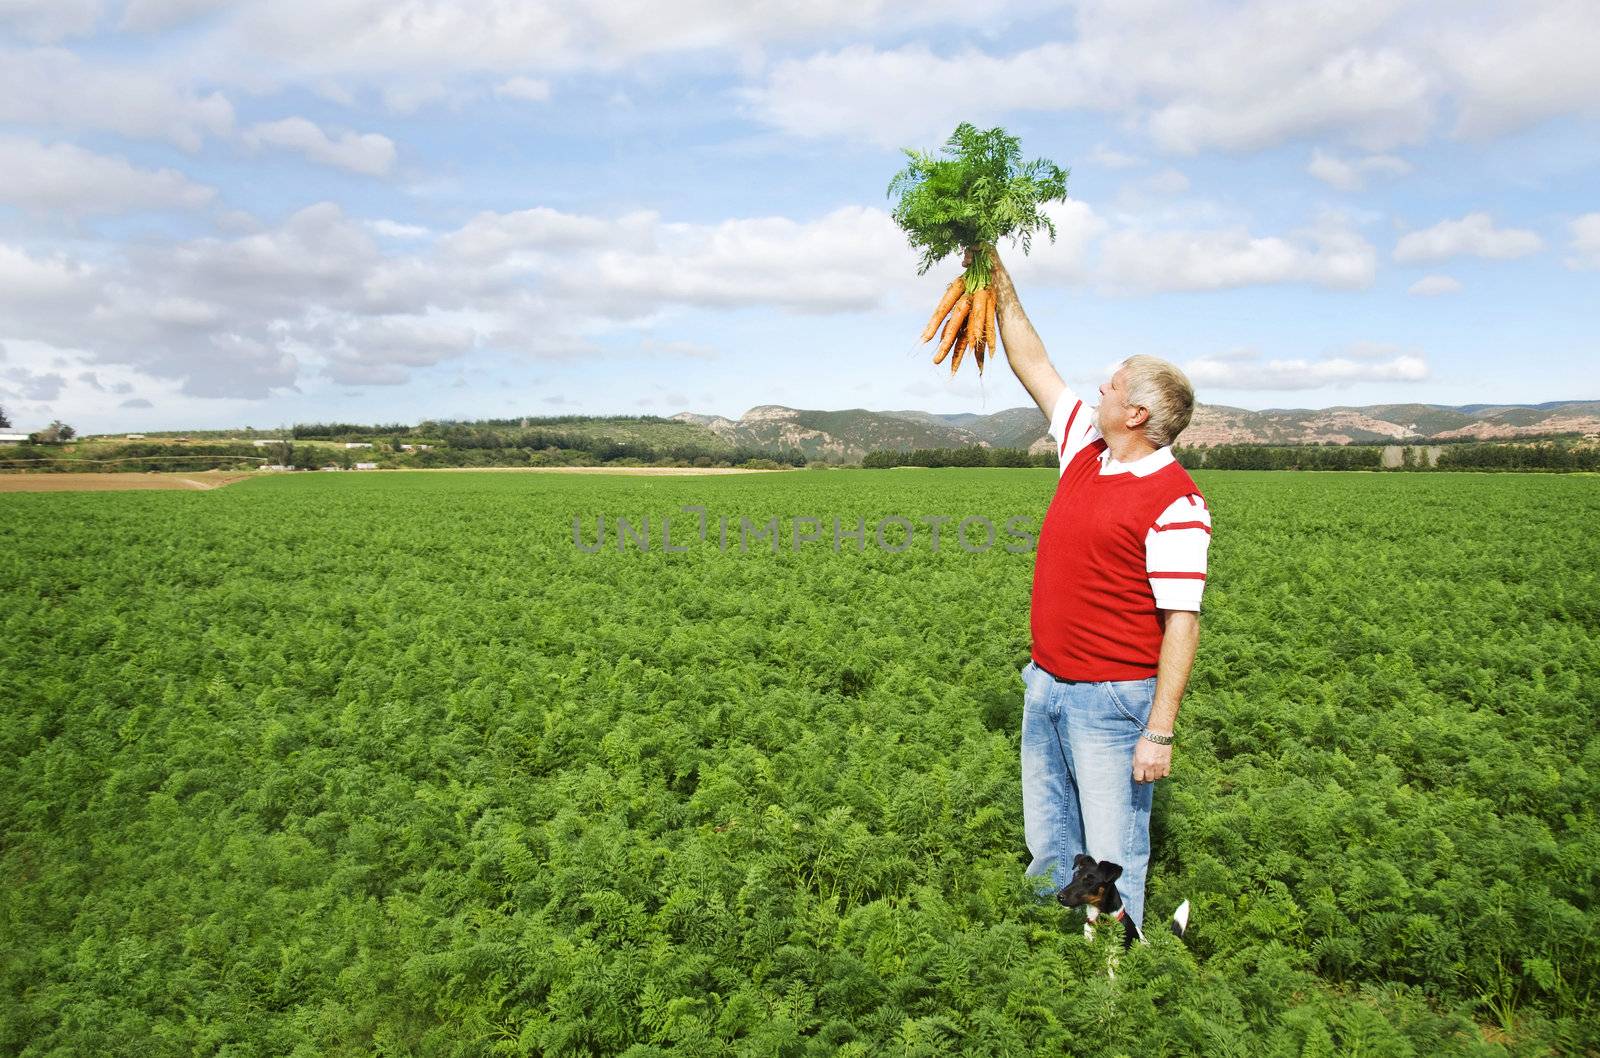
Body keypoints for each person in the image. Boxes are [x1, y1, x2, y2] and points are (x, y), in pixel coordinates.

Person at [986, 246, 1211, 941]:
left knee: (1111, 853)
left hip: (1114, 698)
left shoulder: (1177, 503)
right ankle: (1057, 957)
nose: (1098, 392)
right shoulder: (1086, 448)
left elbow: (1182, 623)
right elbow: (1033, 360)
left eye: (1112, 387)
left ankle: (1120, 972)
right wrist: (988, 269)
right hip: (1047, 681)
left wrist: (1159, 732)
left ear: (1138, 412)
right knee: (1050, 837)